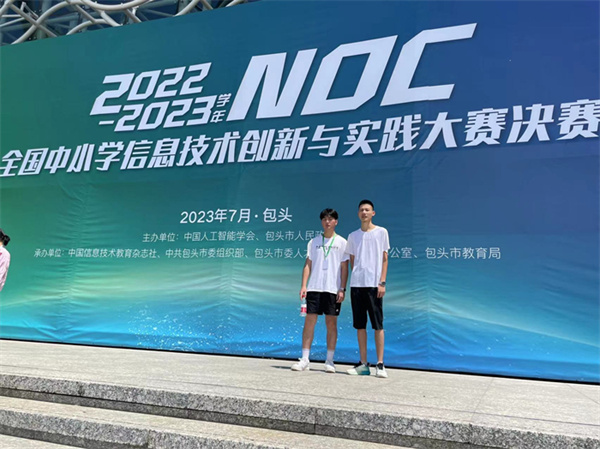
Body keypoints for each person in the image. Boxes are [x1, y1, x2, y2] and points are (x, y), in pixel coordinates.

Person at [292, 209, 349, 373]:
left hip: (332, 289)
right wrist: (304, 285)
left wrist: (342, 288)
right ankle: (304, 359)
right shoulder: (314, 241)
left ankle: (329, 360)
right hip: (314, 287)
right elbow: (308, 264)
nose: (327, 222)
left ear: (336, 222)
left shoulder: (342, 242)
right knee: (309, 322)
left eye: (330, 219)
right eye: (324, 219)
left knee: (331, 323)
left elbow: (345, 268)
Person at [345, 200, 390, 378]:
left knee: (378, 325)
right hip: (357, 285)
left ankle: (380, 364)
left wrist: (382, 282)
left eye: (367, 210)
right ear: (358, 214)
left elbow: (384, 258)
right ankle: (363, 364)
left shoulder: (381, 232)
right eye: (361, 210)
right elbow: (352, 260)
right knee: (360, 326)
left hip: (374, 285)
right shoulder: (353, 236)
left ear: (373, 213)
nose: (364, 212)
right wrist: (357, 275)